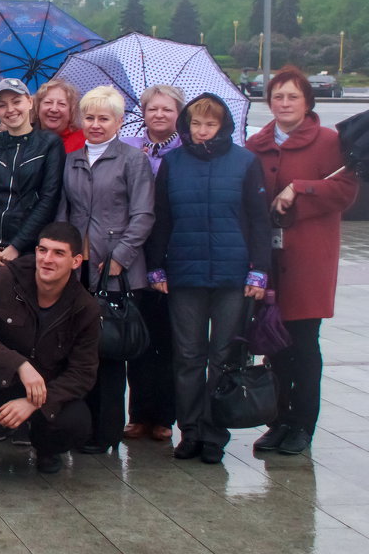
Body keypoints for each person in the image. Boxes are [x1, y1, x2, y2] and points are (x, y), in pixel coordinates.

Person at [145, 94, 272, 464]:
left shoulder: (246, 162)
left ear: (223, 126)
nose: (202, 131)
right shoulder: (173, 162)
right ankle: (191, 430)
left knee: (222, 357)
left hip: (233, 276)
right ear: (186, 127)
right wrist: (156, 267)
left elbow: (260, 220)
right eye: (196, 124)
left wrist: (259, 271)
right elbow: (162, 219)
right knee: (187, 356)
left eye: (210, 124)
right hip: (185, 274)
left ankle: (215, 433)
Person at [246, 66, 358, 456]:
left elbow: (346, 190)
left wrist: (300, 189)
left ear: (307, 102)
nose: (285, 103)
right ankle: (277, 420)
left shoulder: (329, 142)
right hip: (268, 260)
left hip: (310, 260)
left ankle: (302, 425)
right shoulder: (254, 145)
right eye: (278, 97)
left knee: (304, 344)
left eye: (293, 96)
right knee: (273, 344)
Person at [0, 223, 98, 485]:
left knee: (78, 422)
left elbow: (83, 374)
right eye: (42, 250)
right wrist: (19, 364)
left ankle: (47, 450)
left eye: (58, 253)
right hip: (2, 380)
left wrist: (34, 402)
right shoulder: (4, 279)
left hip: (45, 391)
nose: (47, 259)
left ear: (76, 261)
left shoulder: (84, 307)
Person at [58, 85, 155, 453]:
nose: (95, 124)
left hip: (117, 270)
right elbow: (65, 209)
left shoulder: (133, 160)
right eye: (89, 117)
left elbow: (144, 213)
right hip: (80, 268)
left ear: (118, 122)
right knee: (81, 352)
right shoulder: (72, 159)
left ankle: (108, 430)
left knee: (110, 351)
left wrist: (120, 256)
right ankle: (82, 425)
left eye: (104, 118)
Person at [0, 77, 64, 335]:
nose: (10, 110)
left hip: (25, 253)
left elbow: (48, 199)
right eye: (2, 105)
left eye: (16, 101)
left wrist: (17, 246)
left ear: (30, 102)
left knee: (19, 328)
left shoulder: (49, 144)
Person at [119, 84, 186, 443]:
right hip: (133, 256)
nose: (159, 115)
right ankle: (139, 414)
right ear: (142, 112)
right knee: (137, 338)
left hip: (171, 257)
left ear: (179, 114)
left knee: (169, 340)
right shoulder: (128, 146)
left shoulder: (185, 150)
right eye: (152, 109)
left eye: (167, 109)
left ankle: (164, 416)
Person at [35, 78, 85, 152]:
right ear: (38, 107)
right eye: (48, 102)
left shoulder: (84, 142)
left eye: (62, 104)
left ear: (71, 111)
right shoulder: (26, 138)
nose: (54, 109)